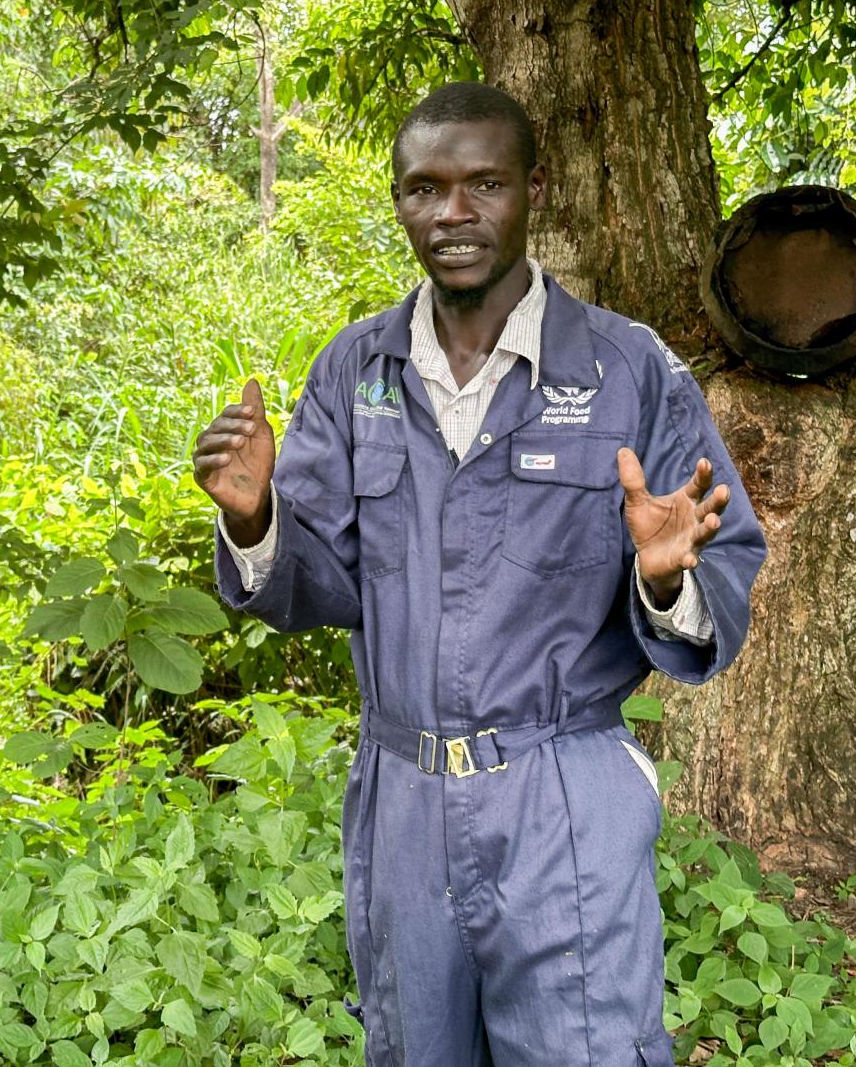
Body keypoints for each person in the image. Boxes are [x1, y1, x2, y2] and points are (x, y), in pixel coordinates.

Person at [192, 82, 767, 1066]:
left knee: (584, 1048)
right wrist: (256, 516)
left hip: (562, 793)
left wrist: (668, 577)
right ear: (400, 201)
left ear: (534, 191)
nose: (451, 213)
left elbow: (723, 566)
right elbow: (318, 580)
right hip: (404, 794)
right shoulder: (356, 371)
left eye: (483, 184)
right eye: (424, 187)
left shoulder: (630, 372)